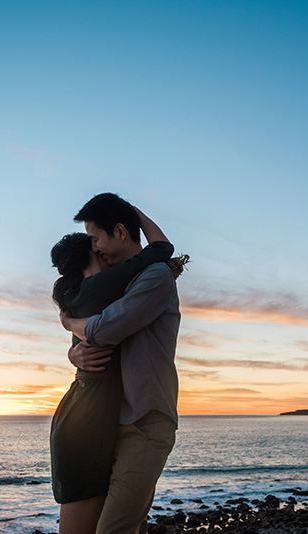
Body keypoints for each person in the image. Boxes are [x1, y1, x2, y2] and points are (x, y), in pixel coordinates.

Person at [60, 193, 184, 534]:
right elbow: (89, 340)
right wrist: (72, 354)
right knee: (133, 526)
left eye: (96, 238)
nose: (94, 247)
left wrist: (69, 322)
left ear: (119, 231)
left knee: (113, 530)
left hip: (145, 421)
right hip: (111, 420)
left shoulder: (155, 277)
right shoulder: (117, 281)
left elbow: (103, 329)